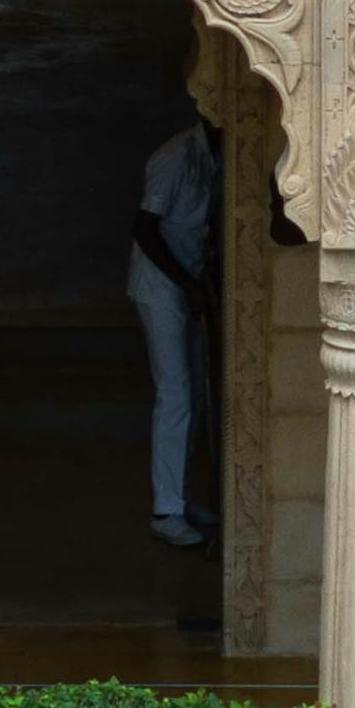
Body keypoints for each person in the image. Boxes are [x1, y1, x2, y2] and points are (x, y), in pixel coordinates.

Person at [128, 106, 223, 549]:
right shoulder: (176, 156)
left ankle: (180, 499)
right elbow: (145, 229)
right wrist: (186, 284)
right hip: (161, 287)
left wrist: (198, 282)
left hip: (187, 282)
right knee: (176, 395)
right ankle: (166, 511)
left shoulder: (215, 156)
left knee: (194, 397)